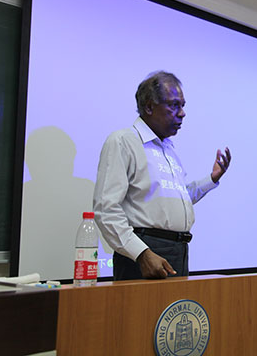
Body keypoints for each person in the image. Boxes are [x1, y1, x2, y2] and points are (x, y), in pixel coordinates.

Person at [93, 71, 231, 280]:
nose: (182, 113)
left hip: (178, 250)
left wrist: (211, 180)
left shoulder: (168, 149)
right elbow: (106, 209)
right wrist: (141, 254)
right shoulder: (123, 141)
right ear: (149, 107)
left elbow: (174, 199)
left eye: (183, 106)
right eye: (174, 105)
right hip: (144, 252)